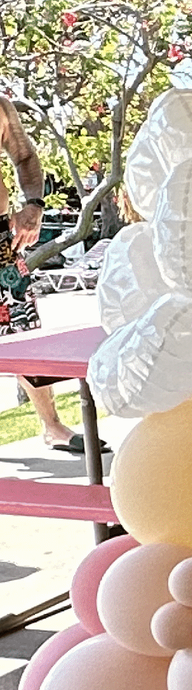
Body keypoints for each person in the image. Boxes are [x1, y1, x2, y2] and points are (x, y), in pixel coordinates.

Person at [0, 94, 80, 452]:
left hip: (1, 239)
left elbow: (25, 156)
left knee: (23, 333)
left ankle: (52, 426)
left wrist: (33, 204)